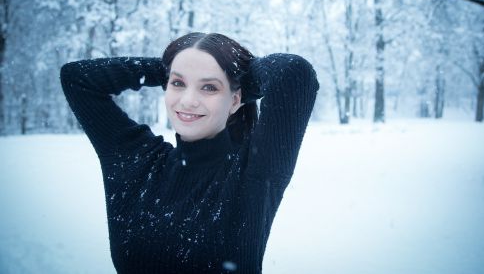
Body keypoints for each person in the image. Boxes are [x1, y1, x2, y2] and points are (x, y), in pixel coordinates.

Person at [60, 32, 319, 274]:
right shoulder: (136, 161)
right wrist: (172, 65)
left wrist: (235, 76)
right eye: (178, 83)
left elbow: (293, 73)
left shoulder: (254, 174)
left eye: (209, 88)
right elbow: (77, 78)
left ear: (236, 100)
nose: (188, 101)